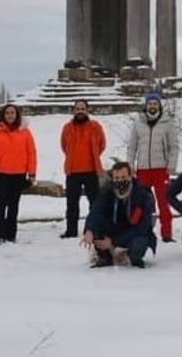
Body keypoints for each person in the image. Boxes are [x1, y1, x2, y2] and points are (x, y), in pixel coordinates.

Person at [82, 162, 157, 268]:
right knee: (96, 226)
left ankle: (128, 255)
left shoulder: (143, 195)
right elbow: (95, 211)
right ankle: (104, 256)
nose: (120, 181)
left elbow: (143, 227)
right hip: (113, 228)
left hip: (134, 231)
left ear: (130, 176)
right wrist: (89, 229)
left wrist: (113, 241)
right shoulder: (107, 191)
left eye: (123, 177)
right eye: (116, 178)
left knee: (138, 246)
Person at [127, 92, 179, 242]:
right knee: (143, 203)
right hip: (143, 169)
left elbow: (173, 147)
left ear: (159, 105)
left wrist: (171, 165)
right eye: (150, 104)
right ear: (146, 106)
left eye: (155, 104)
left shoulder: (167, 123)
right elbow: (132, 147)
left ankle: (167, 234)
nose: (152, 106)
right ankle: (142, 232)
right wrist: (130, 166)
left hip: (161, 169)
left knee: (163, 202)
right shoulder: (138, 124)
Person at [0, 104, 37, 244]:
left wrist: (32, 173)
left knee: (13, 205)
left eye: (13, 112)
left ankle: (10, 234)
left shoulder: (25, 132)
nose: (10, 115)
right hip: (1, 173)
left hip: (19, 174)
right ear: (3, 115)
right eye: (7, 113)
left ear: (17, 115)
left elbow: (31, 152)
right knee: (0, 205)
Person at [60, 99, 106, 239]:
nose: (80, 111)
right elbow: (63, 146)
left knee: (94, 203)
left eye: (82, 108)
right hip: (73, 171)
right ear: (74, 111)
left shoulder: (95, 126)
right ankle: (71, 231)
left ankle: (94, 229)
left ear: (87, 110)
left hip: (91, 170)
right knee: (72, 203)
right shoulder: (67, 127)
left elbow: (102, 144)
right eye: (77, 108)